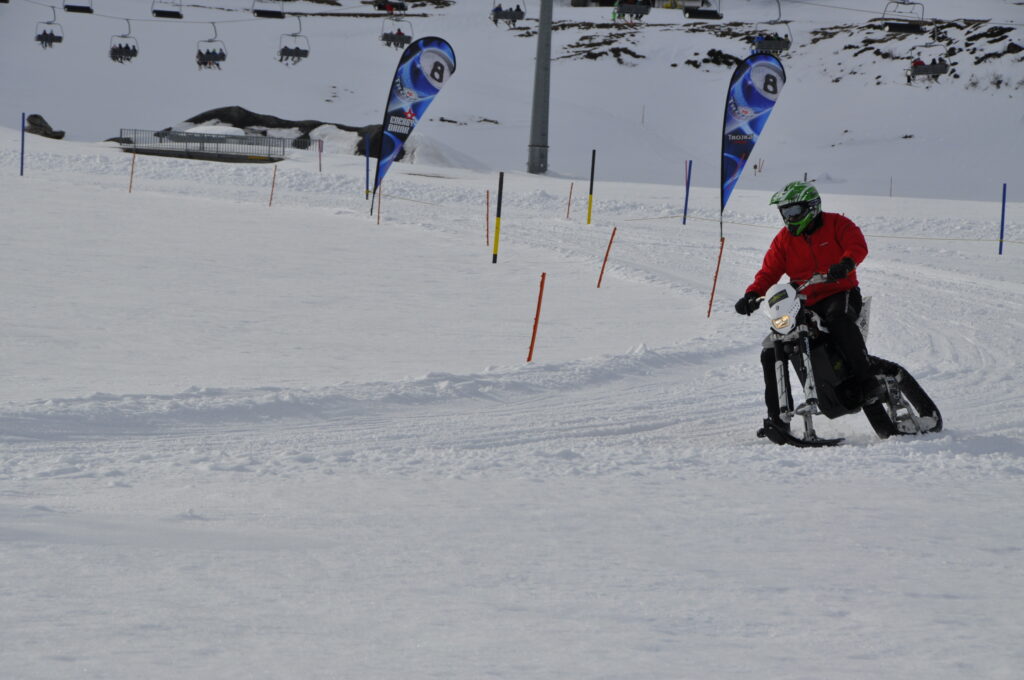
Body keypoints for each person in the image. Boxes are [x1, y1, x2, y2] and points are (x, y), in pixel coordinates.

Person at [734, 181, 877, 442]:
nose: (789, 219)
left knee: (838, 320)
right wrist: (752, 294)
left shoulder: (837, 224)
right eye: (784, 213)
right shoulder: (784, 240)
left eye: (793, 212)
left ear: (812, 207)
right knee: (773, 345)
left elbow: (857, 245)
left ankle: (868, 382)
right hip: (803, 299)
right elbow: (769, 271)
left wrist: (846, 263)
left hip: (839, 291)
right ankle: (778, 419)